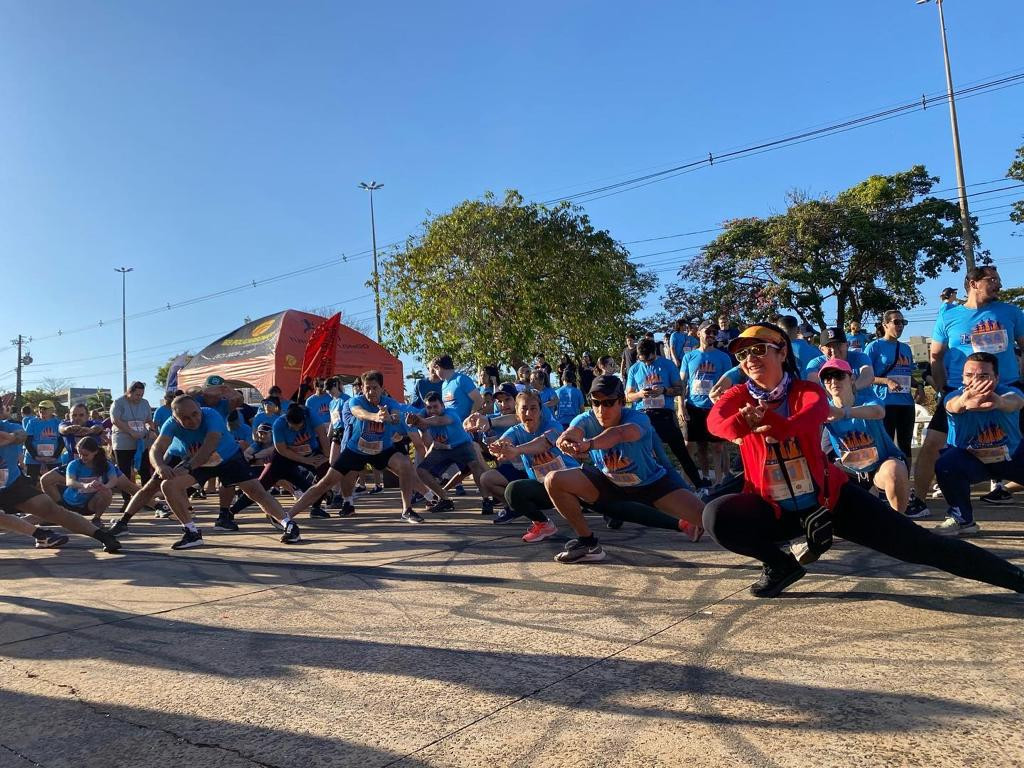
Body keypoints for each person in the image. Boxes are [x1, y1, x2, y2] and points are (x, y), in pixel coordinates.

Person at [702, 323, 1024, 598]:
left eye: (759, 349)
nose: (750, 359)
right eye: (742, 355)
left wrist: (774, 426)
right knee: (716, 516)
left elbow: (810, 415)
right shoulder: (740, 397)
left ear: (782, 352)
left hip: (830, 499)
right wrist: (741, 425)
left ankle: (1015, 579)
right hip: (774, 509)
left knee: (921, 545)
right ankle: (780, 564)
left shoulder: (804, 391)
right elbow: (716, 422)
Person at [546, 375, 705, 564]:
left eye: (608, 403)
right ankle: (588, 544)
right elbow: (574, 431)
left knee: (711, 519)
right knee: (553, 479)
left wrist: (588, 445)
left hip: (652, 484)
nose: (600, 409)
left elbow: (619, 434)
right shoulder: (587, 418)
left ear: (621, 402)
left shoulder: (638, 417)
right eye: (596, 403)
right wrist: (566, 440)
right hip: (608, 484)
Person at [912, 264, 1024, 515]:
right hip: (961, 392)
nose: (998, 284)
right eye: (992, 279)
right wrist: (943, 388)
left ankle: (1003, 486)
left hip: (1007, 390)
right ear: (973, 284)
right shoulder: (949, 316)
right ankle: (919, 501)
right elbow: (936, 355)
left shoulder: (1011, 312)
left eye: (998, 279)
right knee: (932, 444)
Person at [152, 395, 295, 549]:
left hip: (228, 457)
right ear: (175, 418)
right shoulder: (170, 424)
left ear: (199, 409)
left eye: (195, 414)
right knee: (168, 485)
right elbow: (156, 448)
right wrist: (160, 466)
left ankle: (289, 525)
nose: (192, 421)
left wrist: (187, 467)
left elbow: (209, 445)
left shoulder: (211, 415)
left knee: (255, 491)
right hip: (199, 462)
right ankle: (191, 532)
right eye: (185, 418)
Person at [288, 370, 422, 523]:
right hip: (356, 450)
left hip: (382, 449)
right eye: (367, 388)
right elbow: (359, 413)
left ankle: (407, 510)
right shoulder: (355, 401)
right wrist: (376, 417)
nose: (371, 391)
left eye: (375, 387)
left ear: (382, 389)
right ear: (362, 388)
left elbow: (396, 417)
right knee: (325, 482)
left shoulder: (389, 402)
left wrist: (390, 417)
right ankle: (287, 516)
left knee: (405, 464)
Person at [0, 413, 121, 552]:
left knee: (54, 511)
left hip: (12, 483)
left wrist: (11, 438)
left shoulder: (7, 426)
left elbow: (22, 434)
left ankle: (103, 536)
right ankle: (41, 534)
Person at [934, 352, 1024, 536]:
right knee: (946, 464)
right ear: (962, 377)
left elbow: (1015, 402)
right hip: (972, 461)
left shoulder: (1009, 391)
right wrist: (964, 401)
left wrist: (998, 402)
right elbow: (952, 405)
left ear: (996, 378)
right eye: (969, 375)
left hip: (1011, 458)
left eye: (983, 376)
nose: (975, 381)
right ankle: (962, 518)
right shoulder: (954, 395)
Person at [819, 359, 912, 519]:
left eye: (839, 375)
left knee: (895, 470)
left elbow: (878, 412)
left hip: (879, 465)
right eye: (828, 378)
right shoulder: (823, 408)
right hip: (849, 471)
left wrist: (844, 413)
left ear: (852, 378)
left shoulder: (867, 398)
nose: (833, 381)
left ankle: (899, 523)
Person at [488, 391, 580, 543]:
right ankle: (543, 525)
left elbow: (543, 443)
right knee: (514, 491)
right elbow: (505, 441)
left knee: (610, 507)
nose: (528, 413)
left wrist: (517, 450)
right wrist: (499, 447)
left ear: (540, 410)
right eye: (524, 409)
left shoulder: (553, 426)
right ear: (517, 412)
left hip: (573, 484)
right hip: (544, 486)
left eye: (533, 408)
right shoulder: (516, 430)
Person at [229, 403, 330, 524]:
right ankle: (231, 512)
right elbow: (282, 449)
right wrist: (305, 460)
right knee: (260, 486)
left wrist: (326, 457)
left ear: (305, 419)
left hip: (311, 452)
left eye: (300, 427)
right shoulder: (279, 424)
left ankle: (316, 508)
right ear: (286, 421)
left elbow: (323, 437)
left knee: (326, 474)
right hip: (284, 457)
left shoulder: (311, 416)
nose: (297, 430)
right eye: (293, 427)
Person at [624, 336, 704, 488]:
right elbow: (628, 395)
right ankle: (648, 487)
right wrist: (641, 394)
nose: (647, 363)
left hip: (664, 415)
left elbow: (680, 389)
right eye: (643, 360)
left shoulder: (667, 365)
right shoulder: (635, 368)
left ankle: (700, 485)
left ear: (655, 352)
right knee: (647, 455)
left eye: (649, 359)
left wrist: (664, 390)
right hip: (643, 416)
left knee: (681, 452)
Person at [407, 392, 489, 513]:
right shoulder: (424, 417)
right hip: (442, 449)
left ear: (443, 406)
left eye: (436, 406)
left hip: (461, 446)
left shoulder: (451, 412)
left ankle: (486, 500)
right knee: (421, 470)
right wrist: (421, 428)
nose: (432, 410)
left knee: (474, 465)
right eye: (429, 407)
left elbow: (440, 421)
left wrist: (421, 420)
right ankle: (444, 499)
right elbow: (428, 444)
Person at [679, 323, 732, 485]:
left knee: (717, 447)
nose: (711, 334)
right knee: (693, 446)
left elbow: (729, 384)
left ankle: (718, 482)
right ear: (699, 333)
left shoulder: (723, 357)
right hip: (693, 407)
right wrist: (681, 406)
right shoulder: (689, 357)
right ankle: (691, 482)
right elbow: (682, 383)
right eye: (708, 331)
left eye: (714, 332)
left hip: (714, 407)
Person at [865, 310, 916, 458]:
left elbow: (909, 374)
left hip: (906, 403)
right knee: (885, 444)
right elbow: (865, 377)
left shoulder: (905, 348)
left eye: (903, 322)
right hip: (884, 403)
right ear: (885, 325)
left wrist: (919, 386)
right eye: (896, 322)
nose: (900, 326)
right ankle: (887, 478)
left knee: (905, 446)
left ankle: (905, 478)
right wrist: (887, 381)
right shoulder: (874, 347)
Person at [61, 437, 122, 526]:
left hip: (90, 504)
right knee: (42, 518)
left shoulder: (106, 465)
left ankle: (96, 518)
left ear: (95, 452)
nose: (82, 457)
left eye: (85, 455)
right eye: (79, 454)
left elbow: (114, 480)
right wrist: (84, 485)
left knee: (107, 492)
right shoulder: (73, 464)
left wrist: (105, 486)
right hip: (70, 503)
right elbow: (69, 482)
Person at [110, 381, 156, 489]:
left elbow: (149, 420)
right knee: (124, 472)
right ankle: (127, 499)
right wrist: (130, 431)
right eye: (137, 395)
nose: (139, 397)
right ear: (129, 392)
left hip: (141, 443)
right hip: (123, 443)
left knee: (144, 470)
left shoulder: (145, 403)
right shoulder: (118, 402)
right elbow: (115, 420)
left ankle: (146, 498)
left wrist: (152, 430)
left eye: (141, 395)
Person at [804, 327, 873, 389]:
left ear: (847, 345)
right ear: (821, 349)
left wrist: (850, 391)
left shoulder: (860, 357)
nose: (834, 350)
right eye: (828, 346)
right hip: (831, 402)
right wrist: (834, 396)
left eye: (838, 345)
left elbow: (867, 375)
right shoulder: (816, 363)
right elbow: (813, 383)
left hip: (864, 401)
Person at [22, 400, 63, 480]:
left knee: (54, 484)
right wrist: (36, 457)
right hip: (33, 461)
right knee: (33, 486)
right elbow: (27, 441)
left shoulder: (58, 423)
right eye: (40, 408)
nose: (41, 410)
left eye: (45, 408)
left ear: (52, 410)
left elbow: (62, 442)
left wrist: (54, 457)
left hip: (54, 460)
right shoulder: (32, 422)